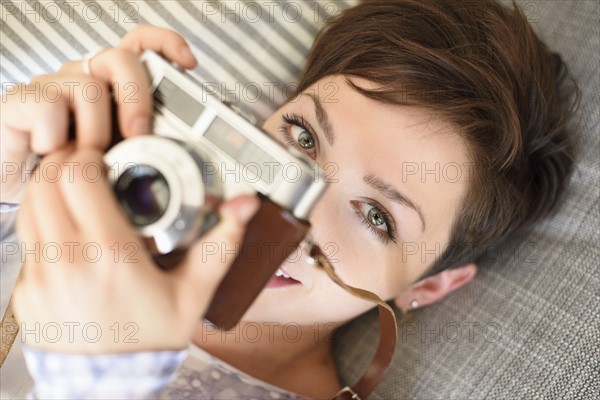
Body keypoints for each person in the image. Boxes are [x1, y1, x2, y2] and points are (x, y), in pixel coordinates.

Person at [0, 0, 579, 398]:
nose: (293, 214)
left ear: (424, 287)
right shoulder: (71, 198)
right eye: (301, 138)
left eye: (376, 217)